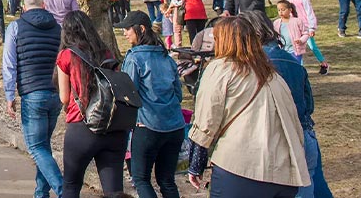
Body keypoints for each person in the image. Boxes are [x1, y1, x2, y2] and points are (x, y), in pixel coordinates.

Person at [186, 17, 308, 197]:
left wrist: (196, 165)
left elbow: (206, 119)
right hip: (283, 173)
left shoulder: (221, 69)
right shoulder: (273, 75)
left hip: (241, 168)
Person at [241, 11, 334, 198]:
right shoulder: (291, 59)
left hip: (278, 138)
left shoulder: (253, 64)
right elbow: (309, 103)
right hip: (304, 131)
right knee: (315, 185)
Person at [57, 10, 127, 198]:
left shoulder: (66, 55)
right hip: (114, 125)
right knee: (114, 190)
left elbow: (64, 97)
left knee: (71, 185)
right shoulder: (106, 52)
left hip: (82, 124)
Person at [115, 11, 185, 198]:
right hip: (175, 126)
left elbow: (129, 95)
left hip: (148, 126)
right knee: (167, 180)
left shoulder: (134, 58)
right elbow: (178, 94)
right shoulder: (167, 58)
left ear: (141, 29)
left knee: (141, 179)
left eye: (128, 29)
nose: (125, 33)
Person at [2, 0, 63, 198]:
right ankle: (41, 192)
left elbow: (9, 63)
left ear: (24, 8)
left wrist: (10, 95)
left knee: (36, 147)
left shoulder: (16, 26)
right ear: (44, 6)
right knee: (43, 146)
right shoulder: (58, 28)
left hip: (32, 92)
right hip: (55, 92)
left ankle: (65, 191)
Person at [284, 0, 329, 74]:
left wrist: (311, 28)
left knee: (312, 47)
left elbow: (309, 13)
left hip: (306, 28)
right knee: (297, 48)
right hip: (296, 28)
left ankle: (324, 64)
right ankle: (299, 68)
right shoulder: (289, 0)